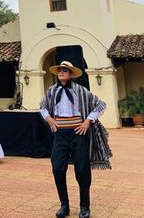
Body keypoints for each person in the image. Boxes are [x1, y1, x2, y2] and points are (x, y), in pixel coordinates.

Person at [40, 61, 111, 218]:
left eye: (65, 70)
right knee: (58, 169)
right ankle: (64, 205)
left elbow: (101, 105)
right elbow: (43, 107)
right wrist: (49, 119)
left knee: (82, 170)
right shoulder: (51, 91)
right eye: (60, 70)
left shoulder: (81, 91)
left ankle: (85, 207)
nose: (61, 72)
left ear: (71, 74)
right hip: (60, 134)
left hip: (79, 134)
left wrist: (88, 121)